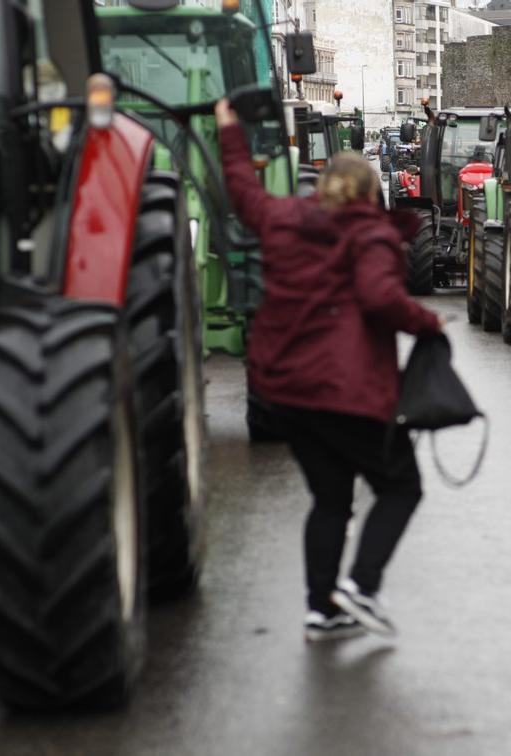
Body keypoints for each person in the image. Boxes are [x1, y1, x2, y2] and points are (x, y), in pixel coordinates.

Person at [216, 99, 444, 642]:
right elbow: (379, 295)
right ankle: (362, 586)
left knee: (330, 500)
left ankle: (323, 608)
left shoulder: (283, 219)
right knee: (401, 487)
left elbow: (244, 193)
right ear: (369, 193)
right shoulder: (371, 233)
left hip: (288, 395)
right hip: (348, 391)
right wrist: (427, 322)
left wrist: (229, 130)